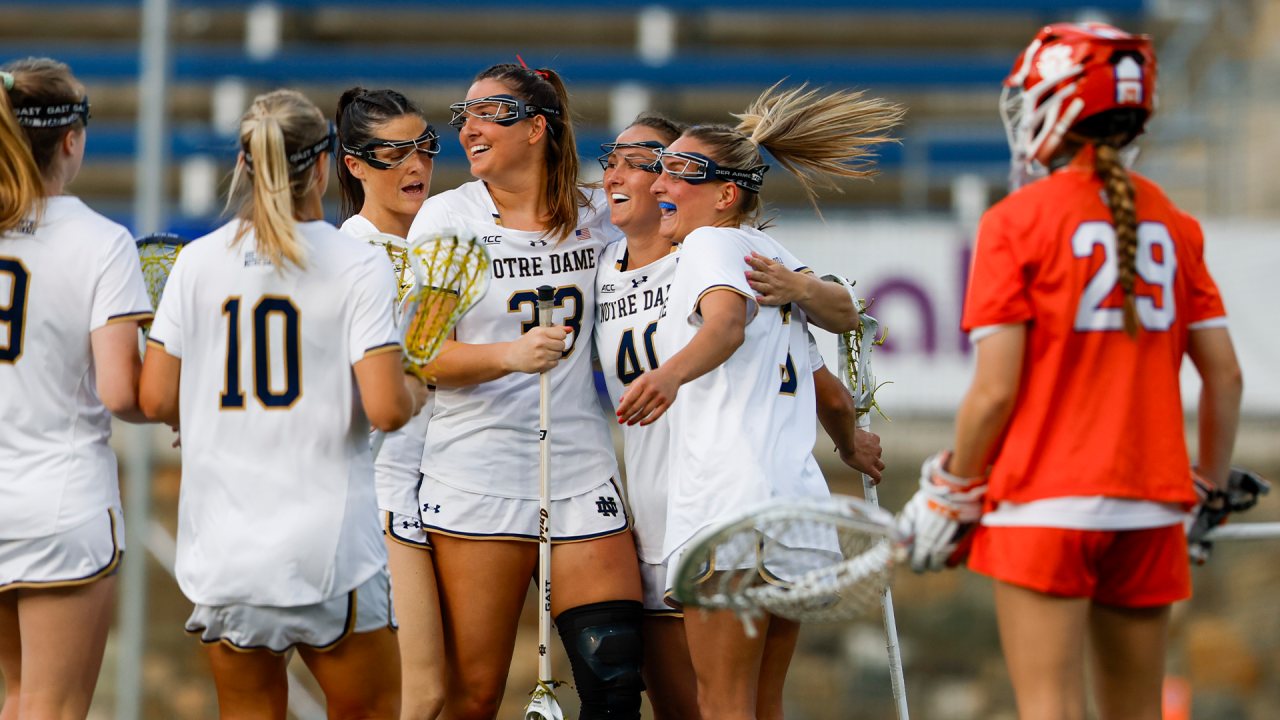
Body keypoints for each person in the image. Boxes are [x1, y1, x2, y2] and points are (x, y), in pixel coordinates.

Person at [896, 23, 1243, 720]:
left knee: (1049, 708)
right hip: (1151, 506)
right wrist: (1207, 484)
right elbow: (1225, 377)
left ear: (1057, 105)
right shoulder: (1176, 224)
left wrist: (954, 489)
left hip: (1042, 507)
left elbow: (996, 390)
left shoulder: (1014, 221)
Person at [139, 89, 429, 718]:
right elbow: (384, 408)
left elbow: (155, 397)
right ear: (324, 165)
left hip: (224, 550)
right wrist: (416, 386)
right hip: (325, 551)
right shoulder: (356, 263)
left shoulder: (196, 262)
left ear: (245, 166)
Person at [614, 83, 901, 720]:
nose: (662, 183)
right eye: (661, 169)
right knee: (762, 701)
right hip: (794, 507)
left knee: (720, 702)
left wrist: (668, 377)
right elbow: (833, 357)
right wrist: (850, 442)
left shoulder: (708, 244)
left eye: (681, 172)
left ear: (725, 195)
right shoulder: (770, 253)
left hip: (727, 503)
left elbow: (725, 327)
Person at [402, 63, 642, 720]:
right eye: (463, 115)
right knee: (475, 695)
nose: (469, 128)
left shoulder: (599, 216)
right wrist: (510, 355)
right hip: (478, 476)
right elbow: (421, 354)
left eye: (489, 113)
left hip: (580, 468)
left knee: (614, 676)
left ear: (537, 127)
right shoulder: (445, 217)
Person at [0, 57, 153, 720]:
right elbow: (123, 393)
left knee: (17, 698)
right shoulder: (101, 241)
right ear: (71, 139)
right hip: (59, 505)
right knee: (53, 709)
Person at [335, 85, 445, 720]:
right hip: (382, 488)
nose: (415, 165)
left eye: (425, 147)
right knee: (415, 696)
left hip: (456, 482)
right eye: (393, 152)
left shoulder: (446, 238)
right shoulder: (348, 256)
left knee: (458, 693)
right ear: (353, 165)